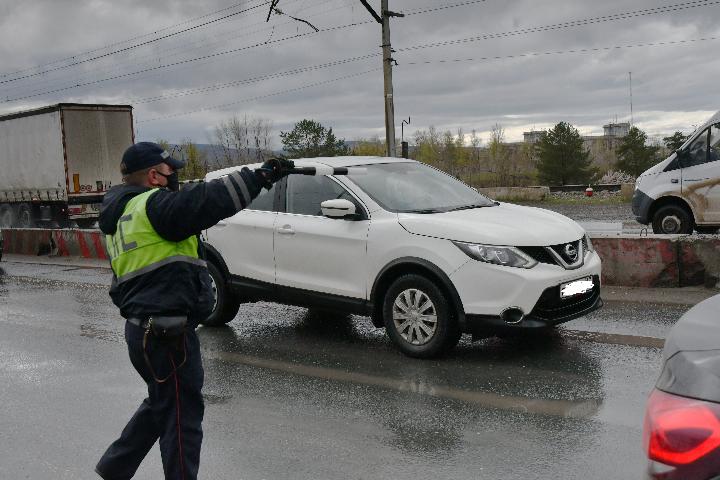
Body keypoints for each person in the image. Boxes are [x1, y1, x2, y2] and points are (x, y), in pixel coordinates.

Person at [95, 142, 292, 479]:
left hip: (141, 331)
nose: (176, 176)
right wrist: (261, 175)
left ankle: (114, 467)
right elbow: (209, 199)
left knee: (163, 402)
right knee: (182, 418)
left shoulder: (121, 214)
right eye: (171, 171)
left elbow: (120, 285)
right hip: (167, 335)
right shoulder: (155, 206)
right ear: (155, 176)